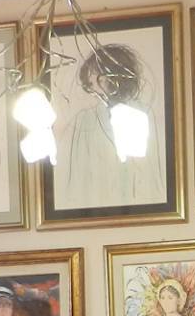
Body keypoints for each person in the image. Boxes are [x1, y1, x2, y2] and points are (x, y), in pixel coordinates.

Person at [62, 43, 163, 209]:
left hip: (137, 205)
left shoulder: (143, 113)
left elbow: (152, 174)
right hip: (96, 206)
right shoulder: (85, 119)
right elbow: (77, 179)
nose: (93, 83)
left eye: (98, 76)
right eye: (92, 80)